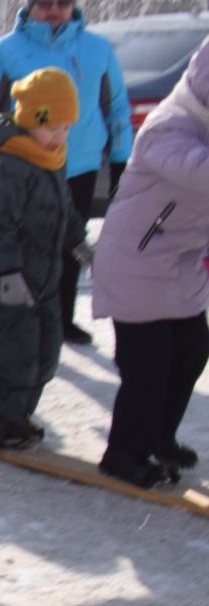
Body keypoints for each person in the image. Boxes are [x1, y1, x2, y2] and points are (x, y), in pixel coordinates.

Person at [0, 0, 133, 346]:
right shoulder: (5, 51)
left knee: (69, 241)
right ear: (30, 6)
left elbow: (118, 107)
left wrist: (121, 160)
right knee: (25, 245)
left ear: (74, 5)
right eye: (45, 2)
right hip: (25, 166)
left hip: (80, 165)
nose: (54, 10)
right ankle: (20, 316)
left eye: (63, 2)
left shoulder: (98, 50)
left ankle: (61, 318)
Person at [90, 36, 209, 488]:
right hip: (136, 260)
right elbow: (198, 171)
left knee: (192, 352)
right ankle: (124, 453)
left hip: (181, 263)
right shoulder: (169, 126)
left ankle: (161, 437)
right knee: (148, 368)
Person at [0, 70, 84, 451]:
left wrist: (79, 241)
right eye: (52, 128)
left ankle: (20, 413)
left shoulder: (51, 160)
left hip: (43, 278)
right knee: (11, 351)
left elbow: (64, 207)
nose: (59, 137)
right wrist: (7, 272)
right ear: (31, 120)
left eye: (66, 129)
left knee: (45, 351)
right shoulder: (7, 169)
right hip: (3, 279)